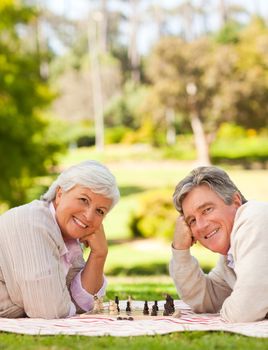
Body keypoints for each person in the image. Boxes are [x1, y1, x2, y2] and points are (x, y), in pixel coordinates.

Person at [0, 160, 120, 319]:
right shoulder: (33, 223)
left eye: (100, 211)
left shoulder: (69, 239)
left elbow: (82, 304)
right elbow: (49, 311)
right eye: (84, 200)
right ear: (60, 194)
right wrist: (63, 303)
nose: (89, 216)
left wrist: (99, 254)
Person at [169, 165, 268, 323]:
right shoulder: (230, 255)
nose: (200, 226)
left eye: (207, 210)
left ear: (236, 202)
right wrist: (180, 250)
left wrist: (240, 305)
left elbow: (244, 311)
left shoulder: (255, 220)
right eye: (192, 220)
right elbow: (204, 300)